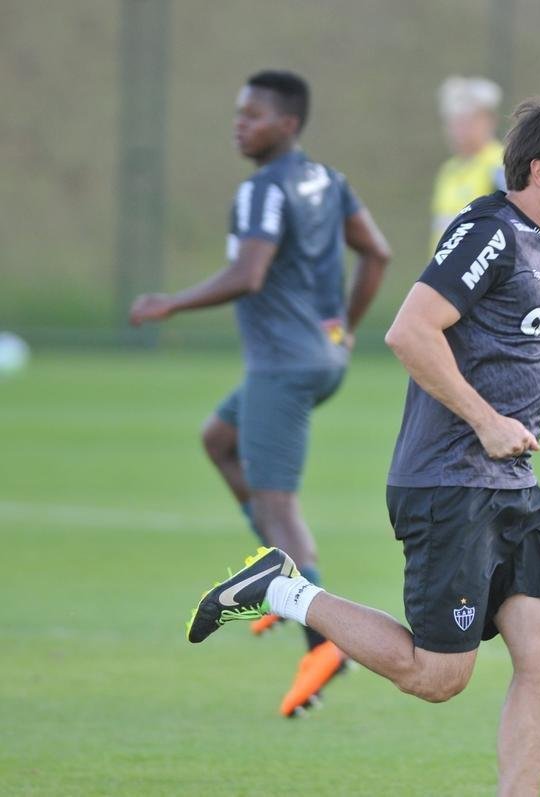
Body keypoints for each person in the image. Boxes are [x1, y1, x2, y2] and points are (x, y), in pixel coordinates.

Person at [187, 91, 540, 795]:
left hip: (511, 485)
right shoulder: (490, 234)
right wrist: (484, 420)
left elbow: (490, 349)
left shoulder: (537, 241)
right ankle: (281, 589)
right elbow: (410, 332)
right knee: (439, 675)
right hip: (453, 483)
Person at [130, 70, 392, 718]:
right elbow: (378, 254)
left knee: (278, 506)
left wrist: (171, 303)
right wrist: (347, 329)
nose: (239, 124)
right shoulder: (327, 179)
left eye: (253, 115)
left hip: (283, 366)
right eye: (238, 114)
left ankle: (323, 639)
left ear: (288, 124)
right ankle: (280, 584)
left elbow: (249, 274)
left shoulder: (261, 191)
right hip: (320, 358)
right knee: (220, 440)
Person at [430, 76, 506, 253]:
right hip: (445, 276)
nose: (460, 129)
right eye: (454, 121)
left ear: (489, 121)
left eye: (469, 121)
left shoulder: (500, 165)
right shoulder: (448, 170)